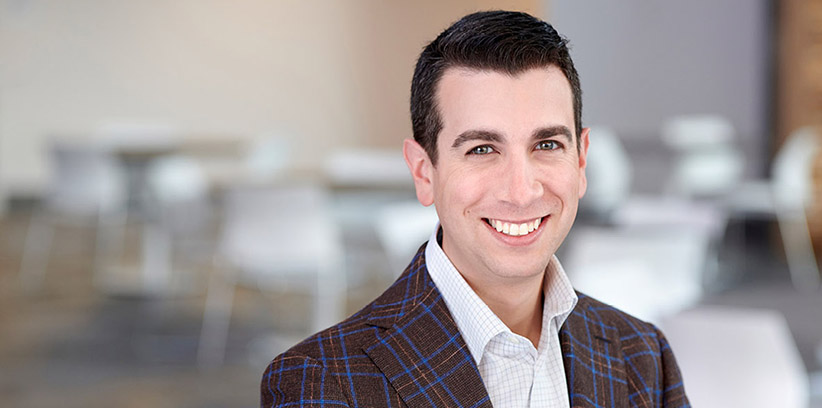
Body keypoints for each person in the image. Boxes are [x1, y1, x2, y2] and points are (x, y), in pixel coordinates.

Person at [261, 10, 689, 407]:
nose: (521, 192)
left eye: (546, 145)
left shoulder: (643, 355)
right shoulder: (319, 383)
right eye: (482, 149)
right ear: (424, 172)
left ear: (580, 161)